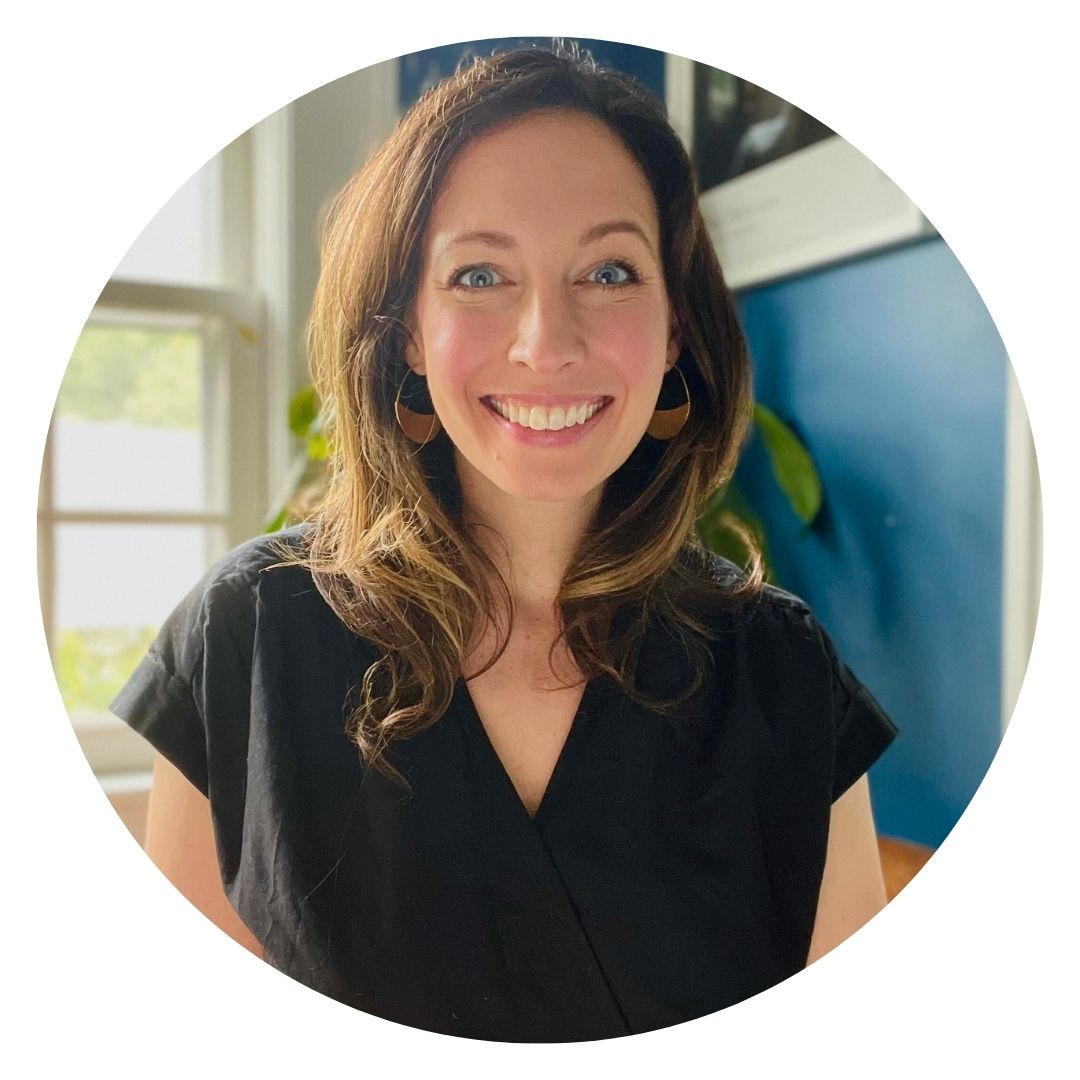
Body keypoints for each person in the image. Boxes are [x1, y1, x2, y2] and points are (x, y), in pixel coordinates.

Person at [112, 44, 897, 1042]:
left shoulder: (783, 672)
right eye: (480, 273)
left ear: (673, 332)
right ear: (406, 331)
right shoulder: (247, 635)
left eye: (609, 270)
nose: (546, 339)